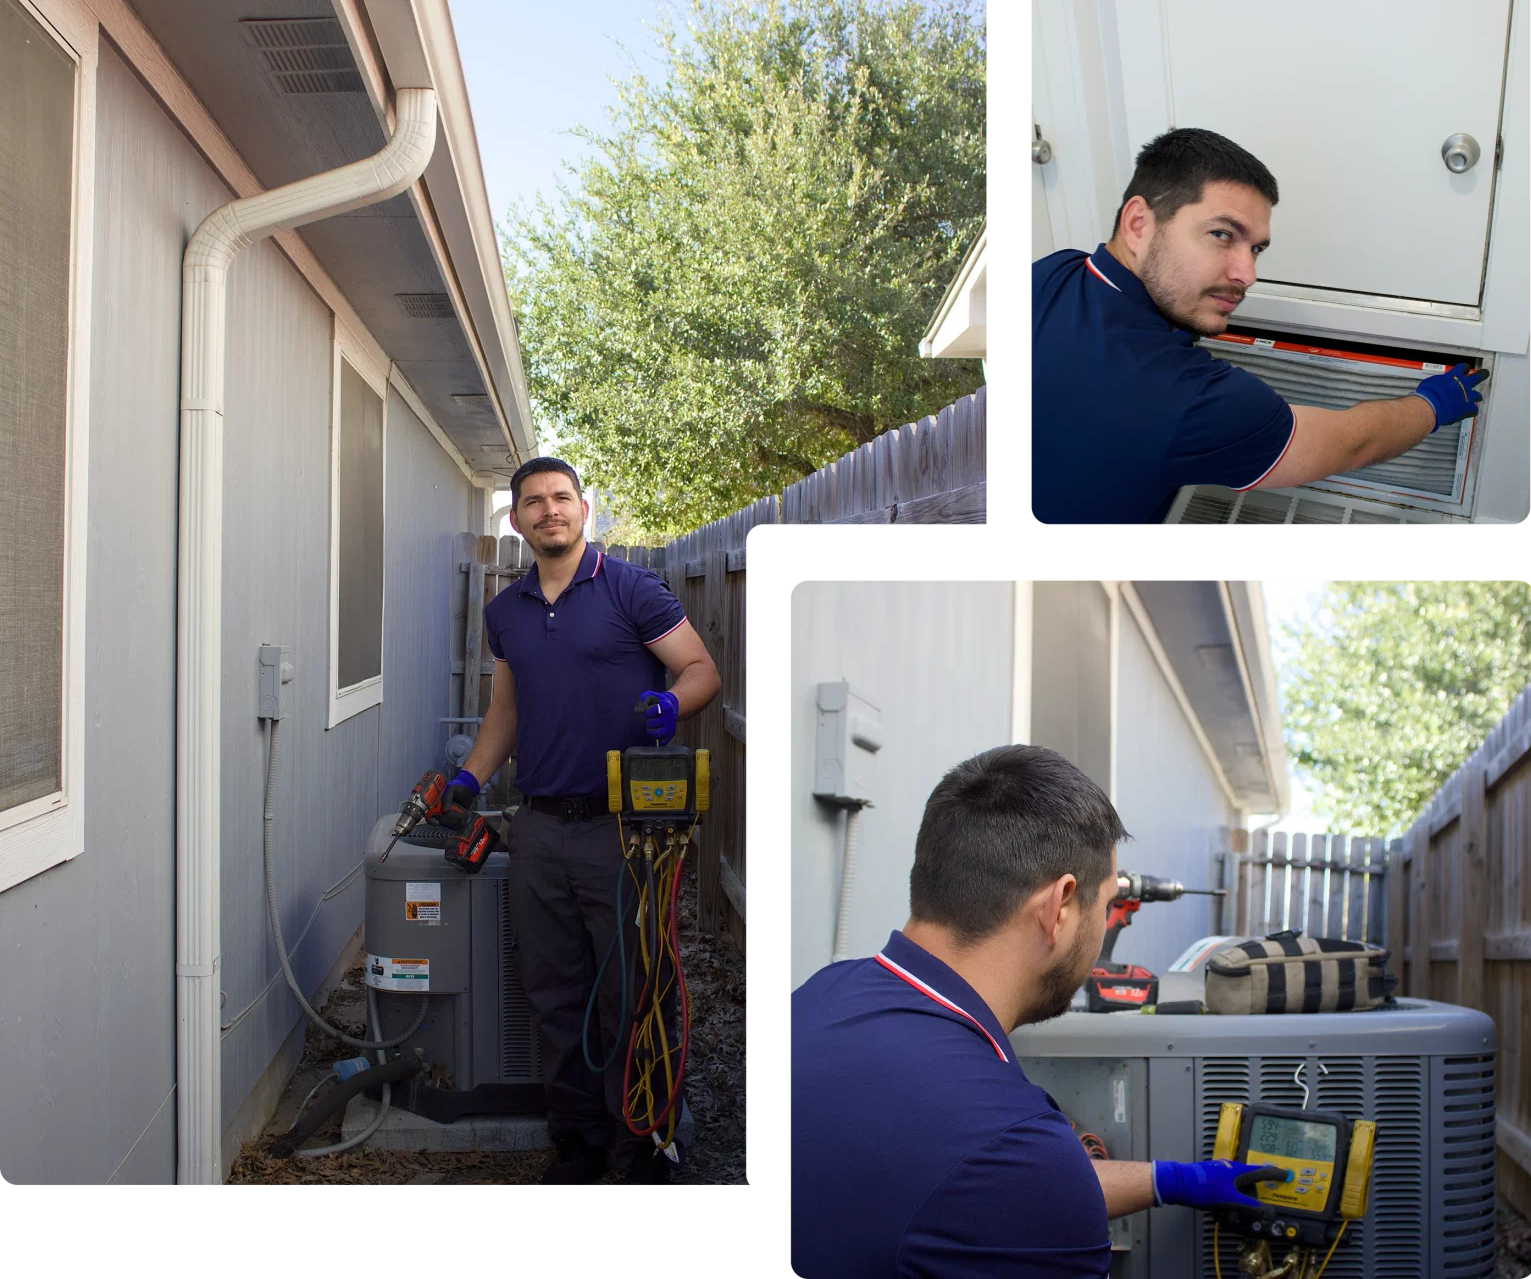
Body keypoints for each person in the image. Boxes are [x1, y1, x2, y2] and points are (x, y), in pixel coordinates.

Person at [788, 744, 1290, 1276]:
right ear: (1060, 906)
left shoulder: (819, 995)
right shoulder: (1013, 1150)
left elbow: (962, 1187)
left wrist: (1176, 1180)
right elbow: (1012, 1180)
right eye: (1105, 904)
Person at [436, 456, 720, 1186]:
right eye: (533, 501)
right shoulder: (507, 612)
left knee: (636, 997)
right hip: (538, 830)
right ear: (517, 520)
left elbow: (699, 670)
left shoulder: (631, 590)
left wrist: (673, 704)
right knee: (554, 996)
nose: (549, 510)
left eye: (561, 498)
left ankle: (644, 1153)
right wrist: (470, 776)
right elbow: (507, 710)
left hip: (624, 833)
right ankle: (580, 1147)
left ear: (583, 509)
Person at [1028, 127, 1488, 526]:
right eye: (1222, 235)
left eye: (1256, 249)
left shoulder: (1052, 273)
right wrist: (1434, 402)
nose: (1247, 274)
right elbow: (1352, 443)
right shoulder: (1190, 398)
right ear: (1138, 223)